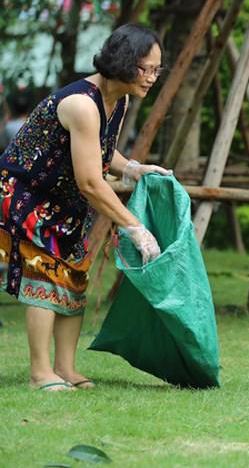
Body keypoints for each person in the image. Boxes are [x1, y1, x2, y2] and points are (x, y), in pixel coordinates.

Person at [0, 24, 171, 391]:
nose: (153, 78)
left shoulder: (118, 100)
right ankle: (39, 373)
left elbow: (101, 151)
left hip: (65, 201)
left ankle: (66, 368)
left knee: (74, 275)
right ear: (125, 63)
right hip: (28, 194)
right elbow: (91, 181)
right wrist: (134, 227)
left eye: (158, 70)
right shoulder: (81, 103)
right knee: (45, 274)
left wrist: (134, 168)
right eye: (148, 69)